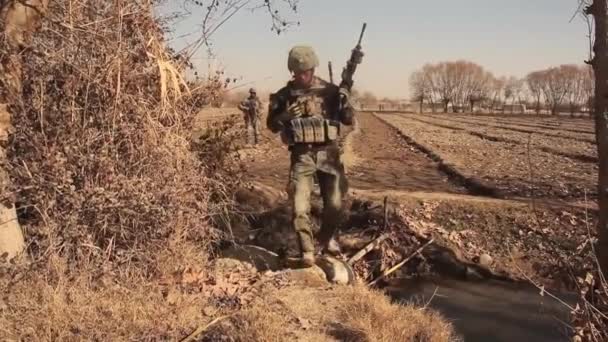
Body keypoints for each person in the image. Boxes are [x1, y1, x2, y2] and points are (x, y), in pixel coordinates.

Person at [266, 45, 360, 267]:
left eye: (307, 71)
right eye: (298, 73)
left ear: (313, 68)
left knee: (335, 206)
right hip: (302, 156)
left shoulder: (329, 91)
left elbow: (347, 119)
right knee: (299, 206)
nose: (302, 76)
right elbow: (271, 125)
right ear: (292, 72)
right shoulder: (283, 96)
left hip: (329, 154)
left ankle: (326, 239)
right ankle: (307, 251)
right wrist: (286, 115)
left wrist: (346, 101)